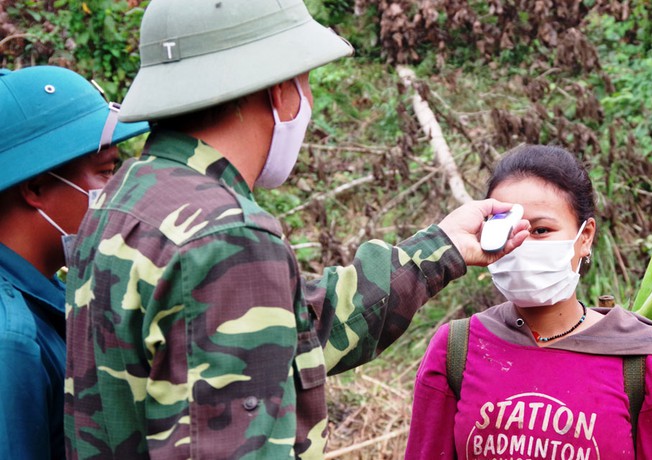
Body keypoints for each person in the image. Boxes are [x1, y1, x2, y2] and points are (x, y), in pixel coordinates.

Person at [62, 0, 531, 458]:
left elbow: (289, 332)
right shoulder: (227, 238)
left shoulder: (124, 199)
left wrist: (441, 247)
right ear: (281, 92)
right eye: (305, 83)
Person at [405, 144, 652, 459]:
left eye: (541, 230)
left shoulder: (645, 361)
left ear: (585, 236)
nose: (520, 244)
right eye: (507, 230)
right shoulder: (456, 349)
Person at [0, 65, 149, 460]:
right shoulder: (11, 341)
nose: (117, 191)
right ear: (35, 187)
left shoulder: (50, 289)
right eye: (105, 174)